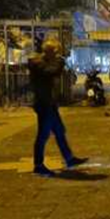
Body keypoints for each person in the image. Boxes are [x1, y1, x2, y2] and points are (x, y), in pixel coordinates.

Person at [28, 38, 87, 177]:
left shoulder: (43, 62)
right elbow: (52, 72)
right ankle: (38, 165)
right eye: (55, 53)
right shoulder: (38, 63)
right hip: (44, 104)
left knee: (60, 131)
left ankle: (69, 158)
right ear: (49, 51)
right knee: (43, 135)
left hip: (49, 103)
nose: (56, 56)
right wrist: (60, 61)